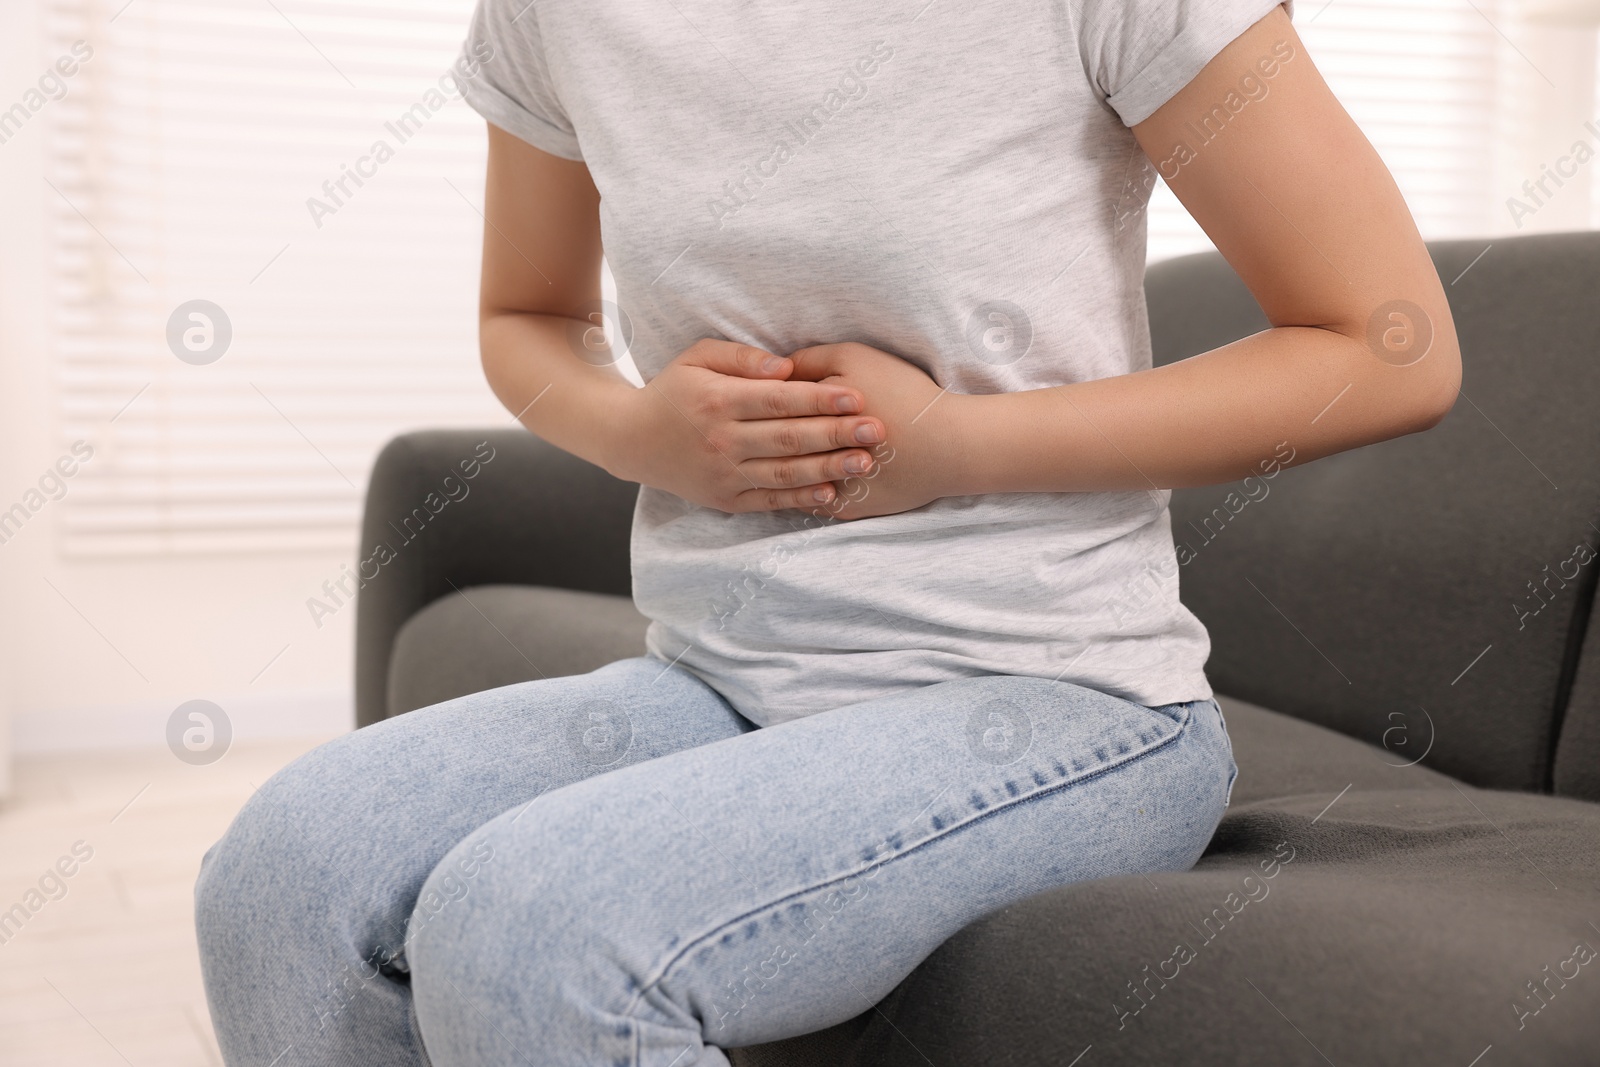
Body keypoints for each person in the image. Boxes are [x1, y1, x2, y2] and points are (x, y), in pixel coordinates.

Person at [195, 2, 1460, 1064]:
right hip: (723, 676)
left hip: (1062, 698)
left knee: (533, 927)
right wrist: (640, 431)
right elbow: (524, 313)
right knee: (284, 870)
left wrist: (950, 449)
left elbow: (1389, 346)